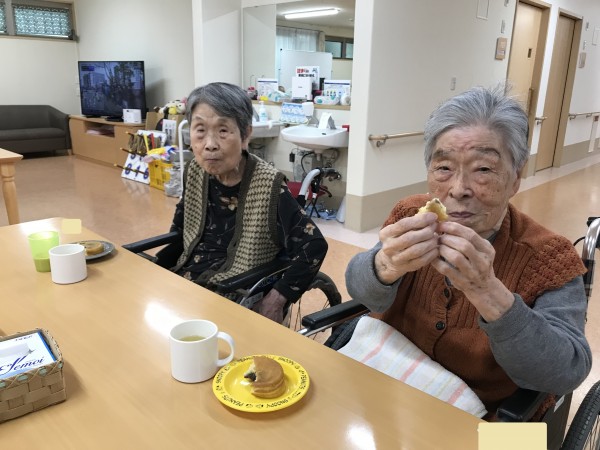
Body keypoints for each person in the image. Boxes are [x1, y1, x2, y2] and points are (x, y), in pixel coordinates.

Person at [345, 85, 592, 417]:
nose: (458, 189)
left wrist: (488, 293)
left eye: (484, 169)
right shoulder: (410, 214)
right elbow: (360, 292)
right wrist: (384, 265)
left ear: (515, 179)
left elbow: (567, 371)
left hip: (496, 416)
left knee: (524, 440)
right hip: (391, 387)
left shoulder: (549, 256)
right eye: (444, 168)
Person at [165, 82, 328, 323]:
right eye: (200, 130)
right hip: (187, 283)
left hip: (232, 291)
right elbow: (179, 231)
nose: (210, 144)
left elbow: (313, 246)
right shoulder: (194, 171)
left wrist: (277, 298)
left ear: (245, 135)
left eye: (223, 130)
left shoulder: (268, 184)